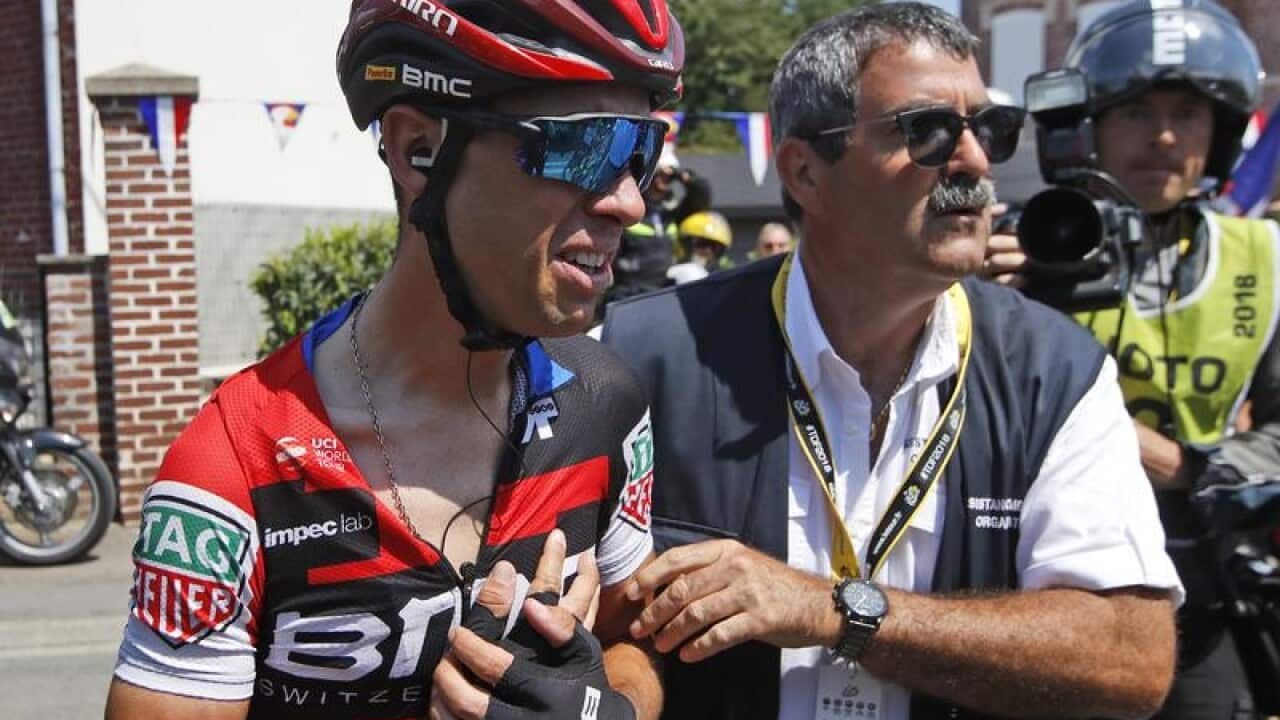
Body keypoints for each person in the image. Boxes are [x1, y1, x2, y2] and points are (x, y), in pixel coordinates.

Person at [105, 1, 684, 718]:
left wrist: (614, 703)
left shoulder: (608, 403)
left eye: (641, 150)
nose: (628, 201)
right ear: (420, 148)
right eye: (587, 146)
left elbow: (640, 641)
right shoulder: (232, 469)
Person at [602, 4, 1181, 719]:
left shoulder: (1058, 373)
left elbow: (1133, 655)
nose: (973, 160)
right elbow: (591, 628)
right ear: (805, 172)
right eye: (928, 131)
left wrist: (843, 612)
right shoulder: (638, 355)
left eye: (991, 131)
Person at [982, 1, 1280, 717]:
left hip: (1200, 577)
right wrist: (970, 297)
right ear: (1091, 127)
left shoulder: (1264, 260)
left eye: (1188, 113)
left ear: (1223, 131)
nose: (1166, 137)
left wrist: (1190, 466)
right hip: (1031, 581)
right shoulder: (1028, 246)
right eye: (1137, 113)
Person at [606, 143, 712, 306]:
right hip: (627, 294)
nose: (665, 179)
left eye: (669, 177)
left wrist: (682, 176)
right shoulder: (629, 209)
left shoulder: (671, 213)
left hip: (663, 292)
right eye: (660, 173)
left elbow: (702, 197)